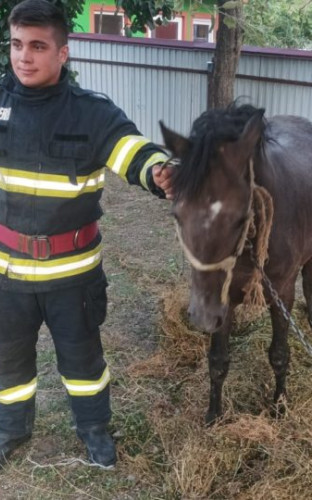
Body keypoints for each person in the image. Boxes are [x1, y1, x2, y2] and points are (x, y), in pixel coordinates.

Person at [0, 0, 174, 468]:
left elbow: (132, 150)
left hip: (72, 276)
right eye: (17, 44)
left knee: (82, 364)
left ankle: (94, 429)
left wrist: (158, 171)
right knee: (8, 361)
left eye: (38, 46)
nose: (24, 57)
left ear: (63, 53)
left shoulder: (92, 114)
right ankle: (11, 428)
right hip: (7, 273)